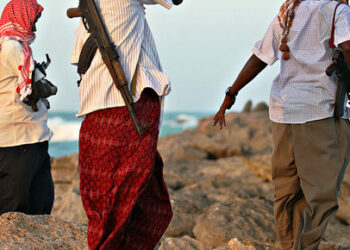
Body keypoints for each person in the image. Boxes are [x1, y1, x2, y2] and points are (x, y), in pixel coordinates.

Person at [214, 0, 350, 249]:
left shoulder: (289, 10)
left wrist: (231, 92)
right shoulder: (336, 10)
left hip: (283, 112)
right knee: (322, 195)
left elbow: (261, 56)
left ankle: (289, 246)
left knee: (287, 192)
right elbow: (348, 45)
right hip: (319, 111)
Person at [71, 0, 173, 249]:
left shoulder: (88, 13)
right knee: (138, 201)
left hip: (96, 110)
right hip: (126, 108)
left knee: (106, 201)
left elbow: (78, 62)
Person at [0, 0, 54, 215]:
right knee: (15, 211)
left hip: (32, 138)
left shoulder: (17, 47)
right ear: (21, 18)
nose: (35, 26)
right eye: (33, 20)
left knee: (40, 206)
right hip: (17, 140)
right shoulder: (11, 47)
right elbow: (32, 87)